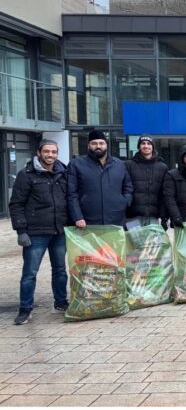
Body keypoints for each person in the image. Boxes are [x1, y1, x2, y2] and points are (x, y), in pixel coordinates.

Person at [9, 139, 69, 325]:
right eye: (46, 151)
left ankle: (61, 302)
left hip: (59, 231)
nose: (50, 155)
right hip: (36, 232)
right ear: (39, 153)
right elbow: (16, 204)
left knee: (60, 270)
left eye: (53, 152)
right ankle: (25, 309)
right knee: (30, 272)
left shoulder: (63, 173)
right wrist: (20, 230)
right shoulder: (26, 175)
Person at [67, 130, 133, 227]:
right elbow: (71, 193)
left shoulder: (119, 164)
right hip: (87, 221)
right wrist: (77, 217)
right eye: (94, 143)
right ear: (88, 145)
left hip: (116, 219)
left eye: (101, 143)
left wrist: (124, 202)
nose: (98, 146)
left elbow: (128, 187)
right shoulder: (76, 164)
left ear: (106, 145)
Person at [125, 135, 168, 229]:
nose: (146, 146)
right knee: (134, 239)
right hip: (132, 216)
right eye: (143, 143)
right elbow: (124, 189)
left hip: (153, 217)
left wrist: (164, 217)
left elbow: (164, 194)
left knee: (152, 239)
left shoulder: (162, 167)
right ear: (139, 147)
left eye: (149, 144)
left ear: (153, 147)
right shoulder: (129, 165)